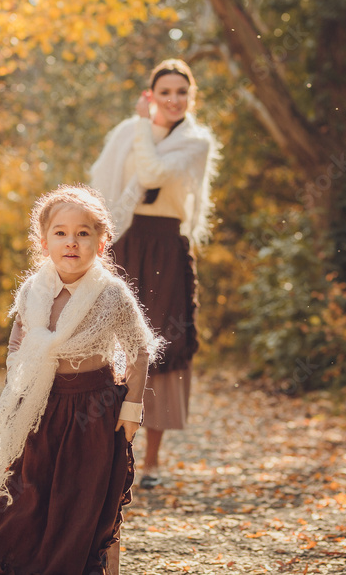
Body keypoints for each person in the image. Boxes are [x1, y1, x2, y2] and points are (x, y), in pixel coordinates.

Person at [0, 185, 162, 575]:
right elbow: (17, 345)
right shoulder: (34, 292)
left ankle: (70, 562)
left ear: (101, 243)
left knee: (80, 495)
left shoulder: (111, 295)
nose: (72, 242)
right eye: (61, 233)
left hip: (93, 408)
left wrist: (131, 409)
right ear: (44, 242)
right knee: (27, 492)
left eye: (83, 233)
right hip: (41, 406)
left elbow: (138, 349)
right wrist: (18, 392)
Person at [90, 58, 219, 489]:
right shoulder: (126, 132)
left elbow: (154, 173)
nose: (173, 99)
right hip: (125, 241)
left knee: (162, 342)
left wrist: (145, 126)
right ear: (151, 95)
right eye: (165, 91)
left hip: (166, 244)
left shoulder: (196, 141)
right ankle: (107, 450)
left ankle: (151, 462)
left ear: (191, 97)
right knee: (111, 340)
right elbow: (102, 183)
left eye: (182, 92)